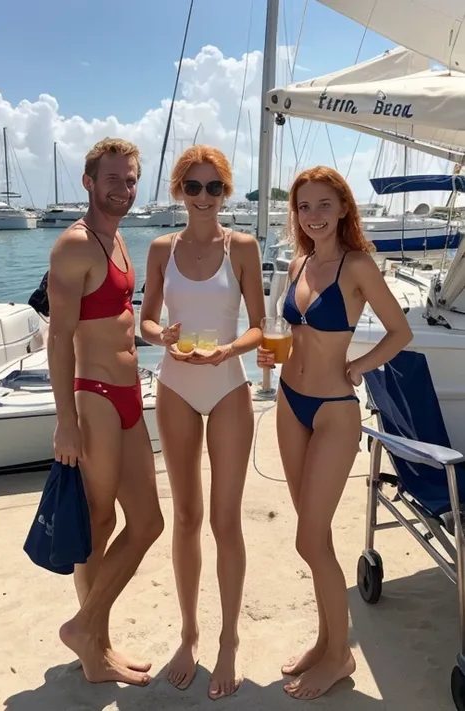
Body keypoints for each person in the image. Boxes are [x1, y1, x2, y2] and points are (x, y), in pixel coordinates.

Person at [257, 166, 413, 701]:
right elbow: (293, 334)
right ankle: (327, 645)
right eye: (304, 206)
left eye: (325, 204)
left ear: (345, 207)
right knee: (313, 534)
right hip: (289, 401)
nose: (313, 215)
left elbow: (401, 331)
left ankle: (340, 654)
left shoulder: (358, 265)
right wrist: (269, 354)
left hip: (333, 410)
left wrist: (361, 365)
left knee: (309, 537)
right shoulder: (299, 261)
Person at [140, 145, 265, 699]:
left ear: (226, 192)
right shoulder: (161, 248)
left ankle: (229, 639)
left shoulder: (243, 247)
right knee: (186, 516)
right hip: (175, 386)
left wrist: (226, 350)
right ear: (178, 192)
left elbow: (259, 327)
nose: (204, 197)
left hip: (228, 384)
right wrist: (157, 336)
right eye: (194, 187)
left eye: (215, 188)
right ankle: (189, 633)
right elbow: (145, 319)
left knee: (225, 521)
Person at [47, 138, 164, 686]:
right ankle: (96, 649)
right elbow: (58, 338)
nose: (124, 188)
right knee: (98, 524)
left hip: (128, 396)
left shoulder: (117, 242)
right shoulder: (74, 246)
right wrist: (65, 420)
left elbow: (121, 318)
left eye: (131, 179)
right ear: (89, 182)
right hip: (93, 395)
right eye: (113, 179)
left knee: (147, 522)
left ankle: (87, 628)